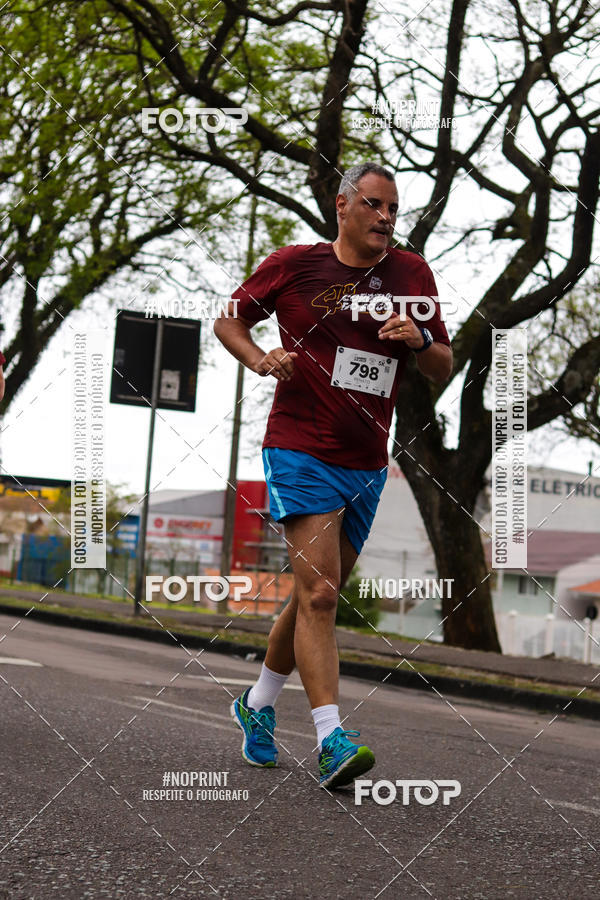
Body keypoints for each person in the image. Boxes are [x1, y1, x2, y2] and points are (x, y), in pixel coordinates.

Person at [214, 162, 452, 789]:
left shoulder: (410, 273)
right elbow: (229, 318)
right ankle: (330, 741)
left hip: (369, 458)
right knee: (320, 591)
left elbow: (443, 367)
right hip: (300, 446)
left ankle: (257, 703)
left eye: (394, 210)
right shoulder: (295, 264)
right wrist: (260, 356)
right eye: (374, 205)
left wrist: (418, 336)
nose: (386, 218)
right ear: (342, 205)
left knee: (315, 590)